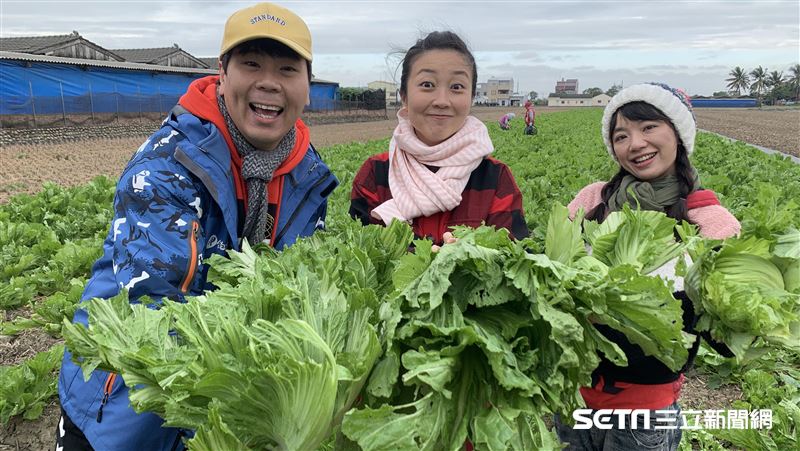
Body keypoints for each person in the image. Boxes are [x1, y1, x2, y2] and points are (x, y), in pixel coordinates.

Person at [56, 3, 338, 450]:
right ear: (222, 74)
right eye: (251, 64)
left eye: (287, 68)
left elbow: (300, 295)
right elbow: (157, 313)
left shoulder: (309, 176)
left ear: (307, 84)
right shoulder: (168, 164)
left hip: (231, 413)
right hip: (125, 408)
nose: (269, 81)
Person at [556, 83, 740, 451]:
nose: (635, 143)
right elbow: (552, 274)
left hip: (645, 408)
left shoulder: (712, 222)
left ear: (679, 133)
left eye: (648, 127)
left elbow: (726, 337)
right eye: (621, 135)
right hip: (571, 395)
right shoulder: (592, 199)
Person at [349, 31, 529, 247]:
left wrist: (468, 259)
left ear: (471, 98)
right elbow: (360, 256)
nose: (442, 101)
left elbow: (515, 261)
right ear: (404, 95)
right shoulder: (375, 175)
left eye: (456, 87)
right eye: (427, 84)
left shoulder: (495, 179)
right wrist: (418, 259)